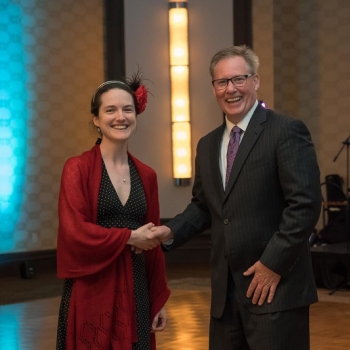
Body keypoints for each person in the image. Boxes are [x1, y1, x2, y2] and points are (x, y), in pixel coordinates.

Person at [151, 45, 322, 349]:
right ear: (214, 87)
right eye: (222, 82)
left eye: (239, 79)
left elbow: (305, 205)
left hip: (275, 289)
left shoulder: (285, 130)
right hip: (225, 296)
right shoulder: (206, 145)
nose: (231, 89)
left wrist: (273, 265)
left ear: (255, 81)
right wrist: (170, 231)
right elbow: (204, 206)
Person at [56, 72, 170, 350]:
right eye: (111, 110)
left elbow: (152, 244)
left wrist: (158, 300)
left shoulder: (147, 175)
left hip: (136, 289)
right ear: (96, 119)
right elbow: (74, 232)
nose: (121, 117)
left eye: (127, 109)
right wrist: (130, 237)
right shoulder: (77, 168)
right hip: (92, 288)